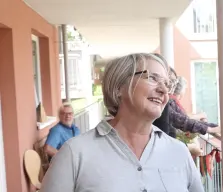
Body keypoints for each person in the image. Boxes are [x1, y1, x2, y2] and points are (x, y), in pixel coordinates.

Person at [40, 53, 204, 192]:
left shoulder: (179, 152)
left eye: (167, 84)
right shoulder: (75, 153)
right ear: (119, 87)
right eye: (153, 78)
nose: (163, 90)